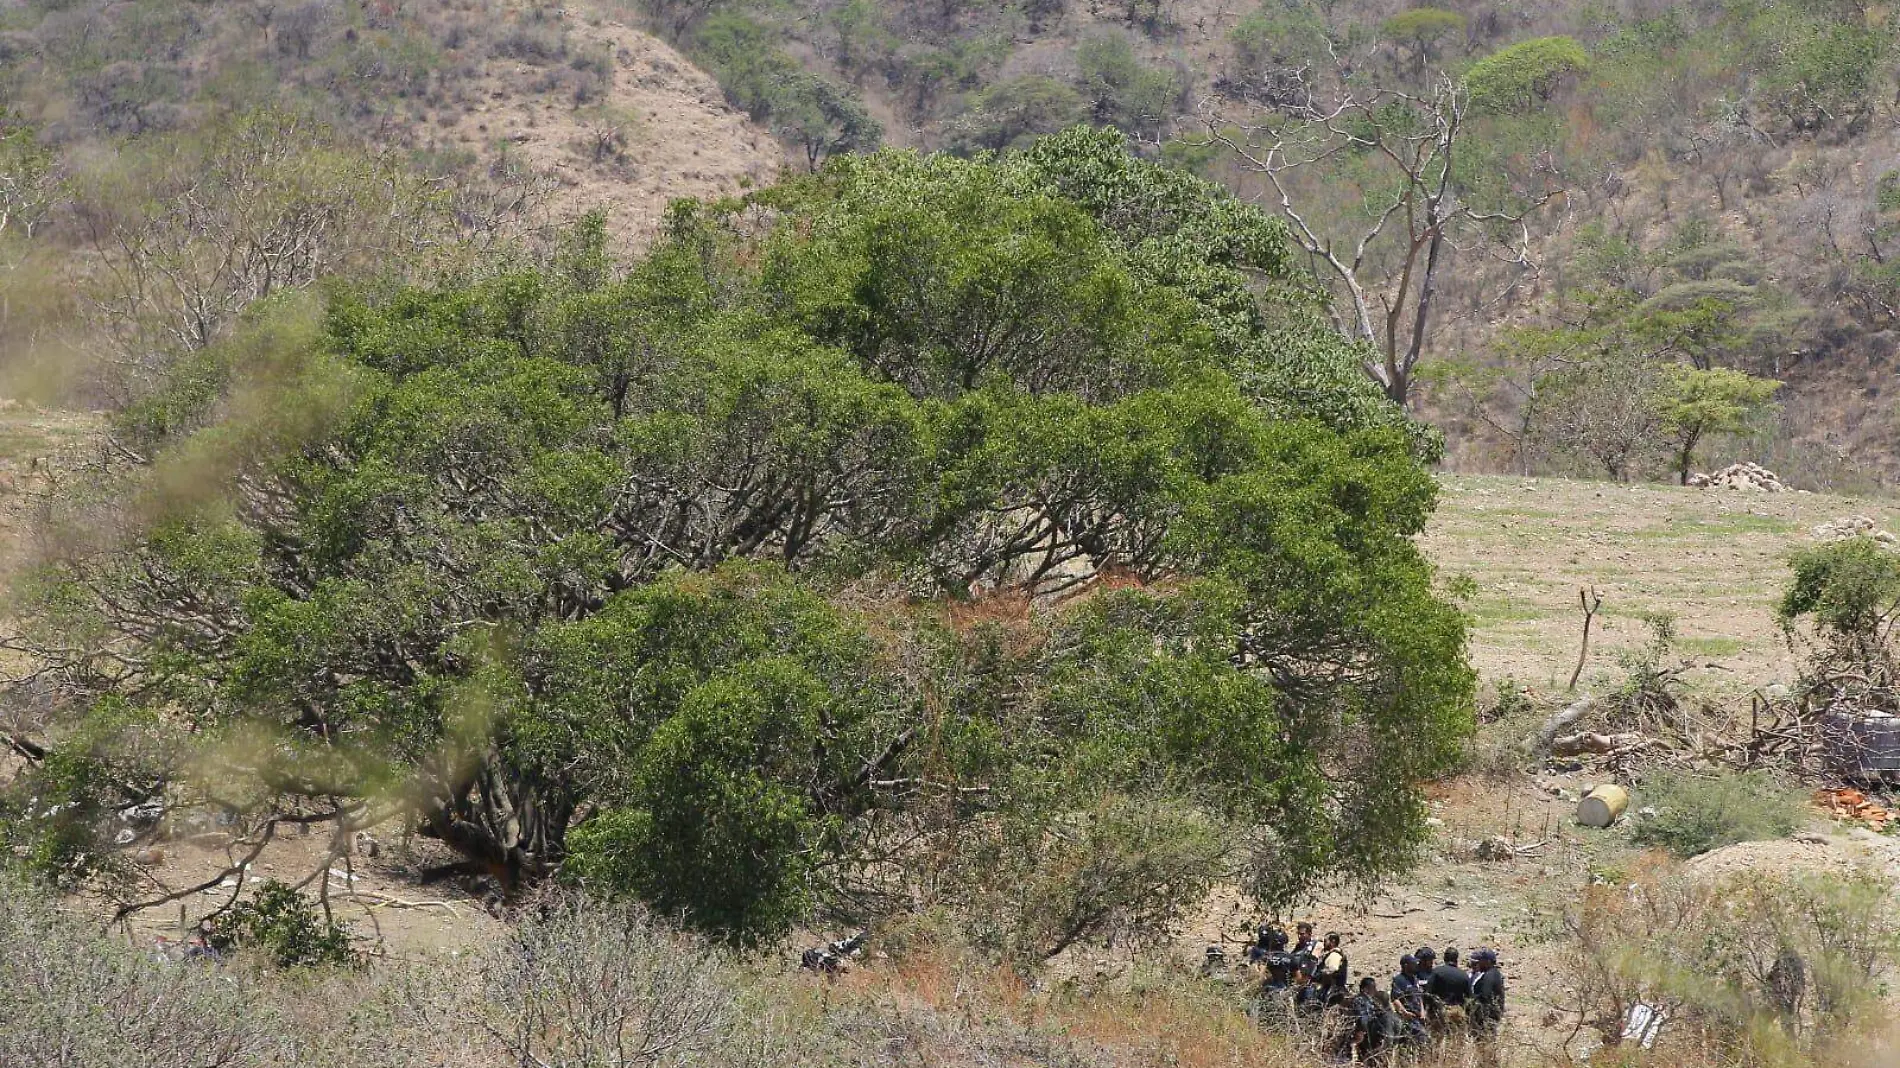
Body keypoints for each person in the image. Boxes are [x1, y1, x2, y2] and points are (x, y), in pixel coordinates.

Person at [1426, 945, 1470, 1031]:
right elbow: (1469, 997)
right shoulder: (1464, 975)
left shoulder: (1437, 972)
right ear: (1456, 959)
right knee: (1456, 1038)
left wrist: (1429, 1010)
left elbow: (1428, 993)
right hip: (1458, 1012)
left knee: (1438, 1039)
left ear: (1444, 958)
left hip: (1440, 1011)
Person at [1468, 948, 1506, 1040]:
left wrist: (1470, 1001)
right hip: (1492, 1014)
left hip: (1486, 1016)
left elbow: (1485, 996)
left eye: (1481, 961)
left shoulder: (1488, 976)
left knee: (1484, 1042)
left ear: (1487, 961)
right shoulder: (1495, 973)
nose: (1479, 963)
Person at [1390, 954, 1429, 1043]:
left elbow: (1419, 996)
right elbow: (1394, 998)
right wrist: (1404, 1012)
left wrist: (1423, 1011)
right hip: (1408, 1020)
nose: (1416, 965)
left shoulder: (1414, 979)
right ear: (1406, 965)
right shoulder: (1399, 980)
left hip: (1419, 1018)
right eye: (1413, 963)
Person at [1314, 931, 1351, 1006]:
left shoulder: (1334, 955)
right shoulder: (1331, 954)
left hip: (1332, 991)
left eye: (1326, 941)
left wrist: (1321, 973)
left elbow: (1332, 971)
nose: (1324, 943)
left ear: (1333, 941)